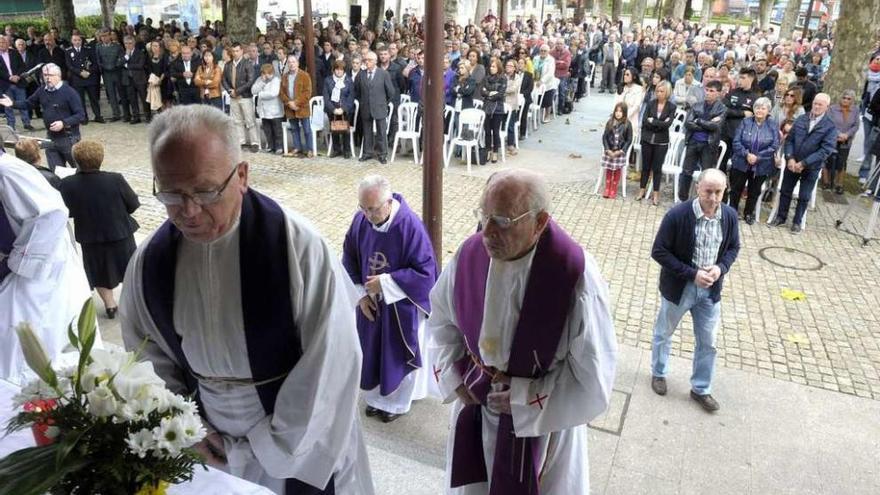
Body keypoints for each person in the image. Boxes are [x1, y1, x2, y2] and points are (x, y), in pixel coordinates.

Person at [119, 105, 375, 494]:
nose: (188, 211)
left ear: (241, 175)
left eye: (205, 191)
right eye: (171, 193)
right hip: (204, 438)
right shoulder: (151, 260)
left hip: (295, 439)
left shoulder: (297, 247)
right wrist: (181, 422)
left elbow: (332, 360)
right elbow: (145, 351)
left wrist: (266, 446)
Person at [428, 169, 617, 494]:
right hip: (476, 407)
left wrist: (523, 400)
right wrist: (454, 377)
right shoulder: (469, 255)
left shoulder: (575, 278)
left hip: (541, 427)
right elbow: (441, 321)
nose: (486, 232)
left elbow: (594, 379)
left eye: (502, 221)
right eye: (483, 215)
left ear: (540, 222)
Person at [341, 175, 437, 423]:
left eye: (372, 209)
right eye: (362, 208)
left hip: (401, 307)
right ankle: (374, 399)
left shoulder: (409, 226)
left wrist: (385, 283)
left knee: (396, 353)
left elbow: (426, 273)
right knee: (370, 349)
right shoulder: (361, 220)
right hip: (371, 304)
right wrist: (361, 294)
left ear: (388, 201)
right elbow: (349, 256)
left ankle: (396, 404)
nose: (366, 215)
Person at [650, 169, 740, 413]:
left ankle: (701, 388)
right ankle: (658, 373)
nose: (712, 197)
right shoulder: (677, 215)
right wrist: (692, 274)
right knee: (664, 332)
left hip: (710, 292)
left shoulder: (730, 216)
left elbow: (733, 247)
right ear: (697, 188)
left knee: (708, 342)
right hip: (681, 288)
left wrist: (720, 269)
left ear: (725, 191)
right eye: (708, 191)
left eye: (718, 192)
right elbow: (658, 251)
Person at [0, 150, 92, 385]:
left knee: (29, 342)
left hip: (36, 274)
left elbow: (51, 213)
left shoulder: (8, 171)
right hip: (18, 268)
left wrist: (17, 264)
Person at [59, 141, 138, 318]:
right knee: (128, 269)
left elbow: (67, 211)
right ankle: (132, 303)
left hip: (90, 236)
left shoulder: (67, 184)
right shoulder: (115, 179)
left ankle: (110, 305)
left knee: (99, 271)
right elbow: (133, 204)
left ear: (76, 160)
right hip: (120, 233)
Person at [770, 93, 837, 233]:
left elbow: (825, 151)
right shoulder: (801, 119)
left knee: (804, 195)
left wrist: (804, 163)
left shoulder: (830, 126)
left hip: (811, 167)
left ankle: (797, 222)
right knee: (785, 191)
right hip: (793, 163)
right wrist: (790, 158)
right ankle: (781, 217)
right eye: (815, 103)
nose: (817, 106)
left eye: (820, 104)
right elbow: (789, 140)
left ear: (827, 107)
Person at [0, 63, 85, 171]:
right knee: (56, 171)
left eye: (50, 75)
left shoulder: (69, 92)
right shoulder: (42, 90)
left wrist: (63, 123)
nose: (47, 78)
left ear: (58, 76)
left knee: (79, 170)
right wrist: (12, 103)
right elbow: (28, 103)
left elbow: (80, 115)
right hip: (51, 138)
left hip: (69, 138)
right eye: (45, 75)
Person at [729, 97, 780, 225]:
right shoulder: (745, 122)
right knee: (736, 188)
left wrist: (759, 157)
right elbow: (736, 142)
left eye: (763, 108)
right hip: (741, 161)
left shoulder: (772, 125)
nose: (759, 110)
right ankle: (732, 211)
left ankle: (748, 213)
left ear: (768, 111)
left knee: (754, 191)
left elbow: (774, 145)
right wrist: (747, 155)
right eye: (757, 107)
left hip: (762, 164)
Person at [678, 80, 726, 202]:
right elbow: (688, 123)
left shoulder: (722, 109)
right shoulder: (697, 105)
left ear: (719, 93)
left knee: (706, 176)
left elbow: (716, 127)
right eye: (707, 90)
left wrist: (698, 121)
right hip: (693, 141)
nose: (708, 93)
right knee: (686, 172)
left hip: (708, 145)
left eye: (712, 91)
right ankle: (682, 200)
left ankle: (702, 201)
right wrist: (707, 123)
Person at [639, 80, 676, 205]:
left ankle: (655, 194)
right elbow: (644, 121)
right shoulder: (650, 104)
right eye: (657, 91)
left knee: (657, 168)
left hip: (661, 141)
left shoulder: (671, 107)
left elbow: (667, 124)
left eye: (662, 91)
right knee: (645, 166)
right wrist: (659, 123)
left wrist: (653, 121)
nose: (659, 93)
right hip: (647, 139)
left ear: (667, 93)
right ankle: (642, 190)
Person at [355, 51, 396, 164]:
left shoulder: (383, 74)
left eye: (369, 60)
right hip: (366, 108)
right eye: (365, 60)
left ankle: (382, 154)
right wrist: (363, 102)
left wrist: (383, 102)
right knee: (367, 131)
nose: (366, 62)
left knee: (381, 132)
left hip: (380, 107)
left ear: (375, 61)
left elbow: (391, 92)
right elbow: (357, 91)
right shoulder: (361, 74)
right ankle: (367, 152)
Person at [222, 42, 261, 152]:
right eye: (233, 51)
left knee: (250, 120)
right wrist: (230, 91)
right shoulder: (228, 64)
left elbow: (250, 81)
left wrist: (237, 91)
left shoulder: (247, 64)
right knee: (237, 121)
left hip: (245, 96)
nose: (235, 53)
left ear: (242, 51)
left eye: (237, 51)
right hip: (233, 96)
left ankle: (254, 142)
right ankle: (241, 142)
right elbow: (223, 79)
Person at [719, 68, 759, 173]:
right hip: (726, 132)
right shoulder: (733, 93)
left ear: (751, 78)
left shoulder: (755, 97)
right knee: (721, 162)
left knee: (736, 165)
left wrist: (734, 112)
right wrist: (742, 113)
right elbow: (723, 109)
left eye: (743, 78)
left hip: (742, 136)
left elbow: (754, 116)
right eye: (739, 77)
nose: (739, 80)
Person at [822, 90, 860, 194]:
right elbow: (829, 122)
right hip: (831, 138)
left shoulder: (855, 110)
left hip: (846, 141)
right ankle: (826, 182)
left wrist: (847, 135)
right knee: (828, 160)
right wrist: (838, 134)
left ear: (852, 100)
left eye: (849, 99)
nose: (846, 100)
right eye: (844, 98)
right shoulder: (832, 109)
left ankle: (839, 184)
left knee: (842, 162)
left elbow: (856, 125)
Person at [65, 34, 104, 124]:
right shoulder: (68, 51)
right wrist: (80, 72)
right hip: (77, 79)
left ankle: (98, 116)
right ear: (72, 41)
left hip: (89, 78)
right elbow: (69, 65)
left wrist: (89, 71)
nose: (77, 42)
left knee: (94, 98)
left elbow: (94, 63)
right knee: (80, 100)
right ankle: (84, 117)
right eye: (75, 40)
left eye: (78, 40)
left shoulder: (88, 50)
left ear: (81, 41)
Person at [279, 55, 314, 158]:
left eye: (293, 62)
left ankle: (310, 149)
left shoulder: (304, 75)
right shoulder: (284, 76)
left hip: (302, 108)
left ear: (297, 63)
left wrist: (296, 103)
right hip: (290, 107)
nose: (291, 64)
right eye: (289, 62)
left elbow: (307, 93)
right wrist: (289, 103)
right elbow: (281, 93)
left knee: (307, 130)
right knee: (294, 129)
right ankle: (297, 147)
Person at [323, 60, 355, 158]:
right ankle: (337, 149)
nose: (338, 72)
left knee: (346, 130)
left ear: (344, 71)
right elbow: (326, 97)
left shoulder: (349, 80)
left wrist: (343, 109)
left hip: (345, 110)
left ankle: (347, 150)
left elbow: (351, 97)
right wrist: (333, 109)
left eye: (341, 70)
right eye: (337, 69)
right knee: (334, 129)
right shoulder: (328, 80)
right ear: (333, 70)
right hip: (332, 109)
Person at [600, 102, 633, 200]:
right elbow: (604, 137)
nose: (618, 113)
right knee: (609, 169)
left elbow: (629, 139)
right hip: (610, 151)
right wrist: (607, 149)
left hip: (619, 153)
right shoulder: (610, 122)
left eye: (621, 111)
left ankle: (614, 188)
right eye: (617, 111)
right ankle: (607, 187)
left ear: (625, 113)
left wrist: (622, 150)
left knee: (617, 169)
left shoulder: (627, 124)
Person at [0, 35, 32, 131]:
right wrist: (9, 77)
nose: (2, 44)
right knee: (8, 106)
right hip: (5, 84)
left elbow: (22, 66)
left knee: (22, 103)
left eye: (4, 42)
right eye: (0, 43)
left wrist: (17, 76)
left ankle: (26, 123)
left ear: (8, 43)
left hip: (18, 82)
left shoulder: (14, 53)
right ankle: (11, 126)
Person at [252, 63, 284, 155]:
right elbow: (253, 90)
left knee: (276, 129)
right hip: (263, 110)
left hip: (274, 109)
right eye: (263, 73)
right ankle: (271, 146)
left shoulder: (276, 80)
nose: (265, 75)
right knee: (267, 129)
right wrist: (261, 82)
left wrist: (260, 95)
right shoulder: (259, 80)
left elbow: (273, 93)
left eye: (267, 73)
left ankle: (279, 147)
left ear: (271, 72)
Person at [481, 57, 507, 164]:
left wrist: (489, 95)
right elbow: (482, 91)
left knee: (495, 131)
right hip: (487, 107)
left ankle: (495, 151)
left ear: (498, 68)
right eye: (490, 66)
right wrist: (489, 94)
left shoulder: (503, 78)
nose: (491, 68)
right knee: (487, 130)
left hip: (498, 108)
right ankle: (488, 150)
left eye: (494, 66)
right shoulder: (486, 78)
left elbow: (500, 94)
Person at [95, 29, 124, 122]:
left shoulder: (117, 46)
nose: (104, 38)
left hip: (117, 72)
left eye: (106, 35)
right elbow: (98, 60)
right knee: (111, 95)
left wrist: (116, 65)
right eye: (102, 36)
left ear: (110, 36)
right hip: (107, 74)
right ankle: (116, 114)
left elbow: (122, 57)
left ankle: (127, 113)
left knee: (122, 93)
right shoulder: (98, 47)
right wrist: (104, 68)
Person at [120, 35, 148, 124]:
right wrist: (127, 57)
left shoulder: (140, 52)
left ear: (134, 43)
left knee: (144, 98)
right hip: (128, 80)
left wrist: (127, 65)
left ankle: (148, 116)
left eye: (130, 43)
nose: (128, 45)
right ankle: (136, 117)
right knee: (132, 99)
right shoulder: (123, 53)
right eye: (126, 43)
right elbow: (119, 63)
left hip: (140, 79)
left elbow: (140, 65)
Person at [615, 67, 645, 143]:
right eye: (624, 74)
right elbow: (616, 103)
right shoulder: (621, 87)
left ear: (634, 77)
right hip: (618, 116)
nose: (625, 76)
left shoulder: (639, 89)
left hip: (631, 118)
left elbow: (637, 105)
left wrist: (625, 116)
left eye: (627, 75)